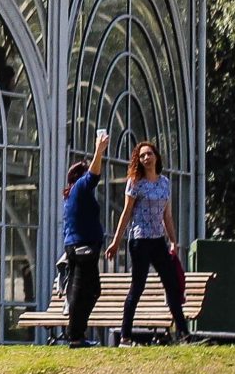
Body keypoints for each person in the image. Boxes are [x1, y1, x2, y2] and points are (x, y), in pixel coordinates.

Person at [106, 139, 191, 342]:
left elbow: (167, 215)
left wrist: (173, 240)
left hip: (158, 240)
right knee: (138, 287)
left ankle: (184, 333)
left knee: (171, 285)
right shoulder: (135, 183)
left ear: (156, 156)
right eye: (142, 155)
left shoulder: (164, 183)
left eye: (149, 154)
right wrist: (116, 242)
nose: (146, 158)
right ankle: (125, 335)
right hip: (140, 240)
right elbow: (126, 213)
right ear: (139, 160)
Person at [58, 127, 111, 346]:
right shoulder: (80, 188)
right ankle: (76, 337)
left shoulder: (71, 197)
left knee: (92, 290)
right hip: (83, 249)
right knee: (81, 292)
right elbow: (93, 175)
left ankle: (77, 332)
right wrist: (99, 149)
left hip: (78, 247)